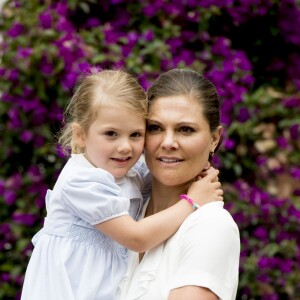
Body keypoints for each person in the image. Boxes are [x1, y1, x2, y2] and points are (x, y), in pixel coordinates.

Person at [21, 69, 222, 300]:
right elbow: (136, 238)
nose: (125, 146)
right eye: (111, 134)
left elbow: (168, 170)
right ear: (80, 135)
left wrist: (200, 171)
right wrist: (192, 202)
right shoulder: (81, 182)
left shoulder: (124, 171)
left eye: (136, 134)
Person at [117, 68, 241, 300]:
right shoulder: (126, 214)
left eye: (186, 129)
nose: (168, 142)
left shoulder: (210, 225)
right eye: (155, 128)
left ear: (215, 138)